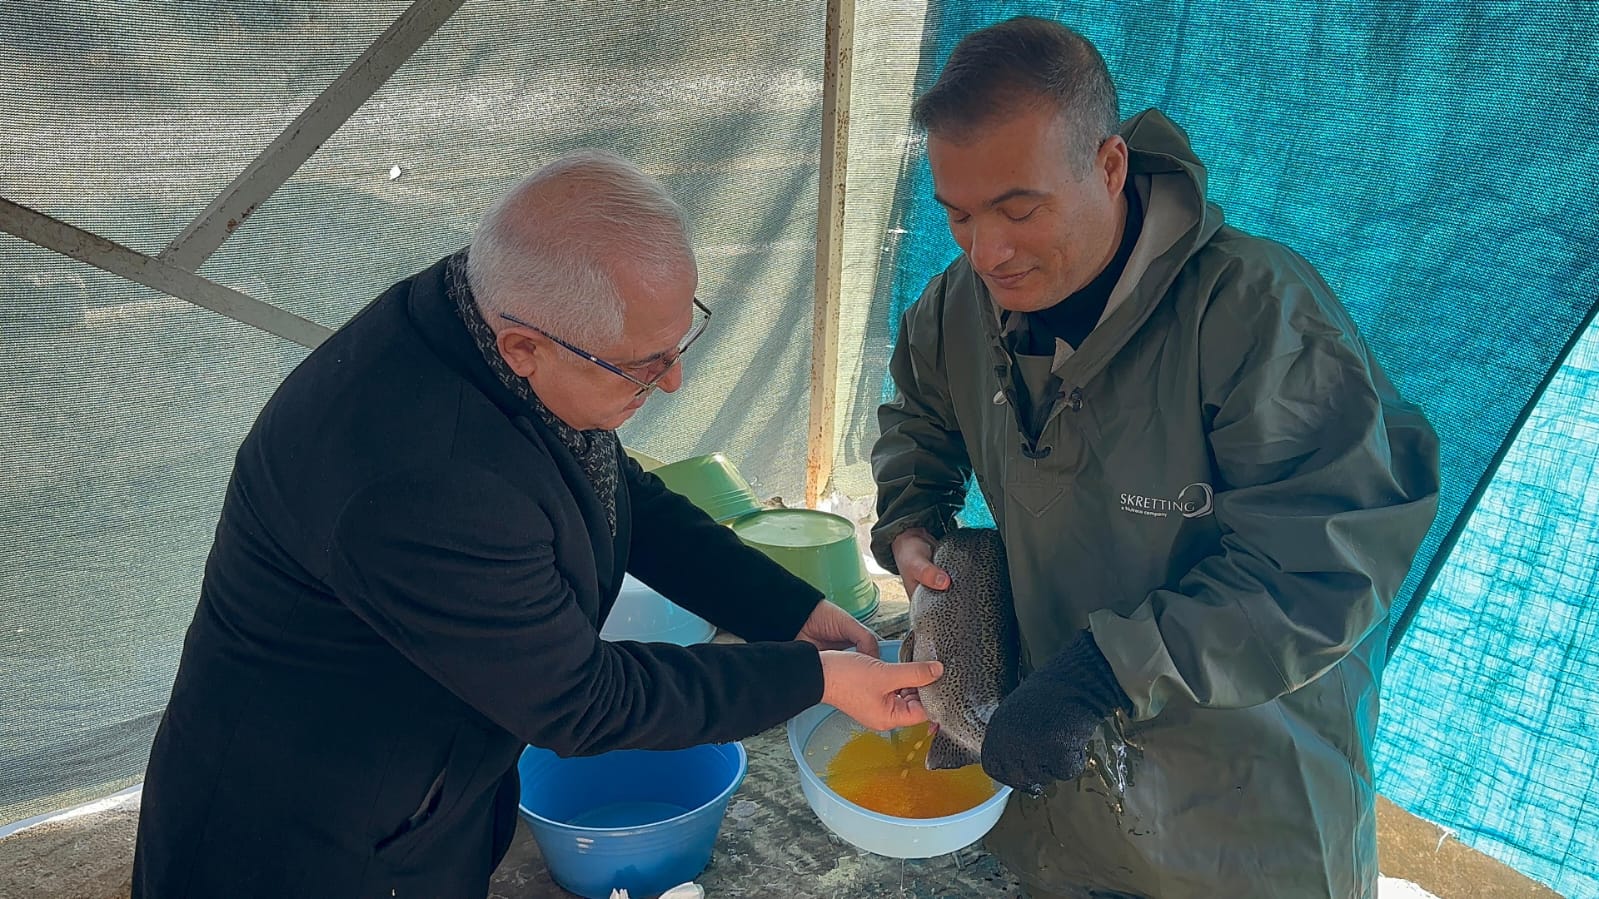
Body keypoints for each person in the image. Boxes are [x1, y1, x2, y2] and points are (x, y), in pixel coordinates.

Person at [132, 149, 942, 899]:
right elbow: (581, 700)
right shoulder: (426, 481)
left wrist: (788, 609)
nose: (672, 381)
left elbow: (619, 491)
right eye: (645, 364)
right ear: (523, 347)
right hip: (310, 839)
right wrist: (813, 678)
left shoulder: (483, 316)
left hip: (427, 781)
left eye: (679, 339)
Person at [871, 17, 1441, 899]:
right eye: (958, 215)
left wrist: (1105, 670)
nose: (987, 251)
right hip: (1052, 779)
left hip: (1239, 802)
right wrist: (911, 521)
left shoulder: (1257, 314)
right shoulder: (955, 305)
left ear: (1108, 166)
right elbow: (917, 418)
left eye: (1018, 210)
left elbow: (1324, 565)